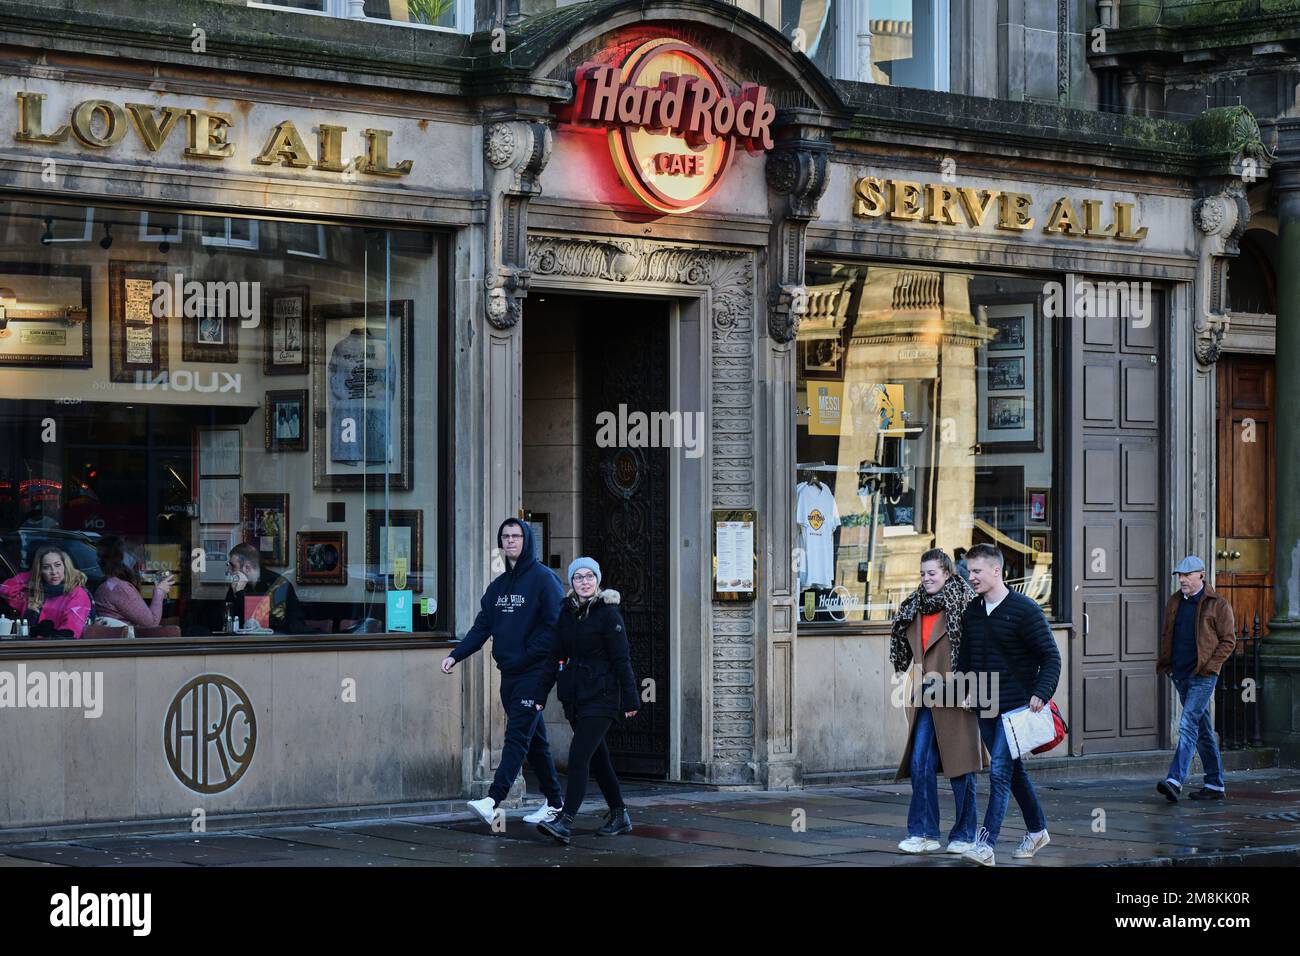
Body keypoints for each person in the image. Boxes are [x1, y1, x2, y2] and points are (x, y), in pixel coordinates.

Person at [441, 518, 566, 828]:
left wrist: (528, 655)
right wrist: (457, 655)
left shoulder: (544, 580)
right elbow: (483, 626)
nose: (510, 541)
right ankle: (554, 803)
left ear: (527, 540)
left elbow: (555, 627)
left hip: (534, 674)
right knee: (535, 741)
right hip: (509, 674)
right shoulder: (498, 586)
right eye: (505, 536)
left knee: (516, 737)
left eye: (516, 536)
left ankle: (492, 799)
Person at [957, 543, 1061, 866]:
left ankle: (985, 845)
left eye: (976, 571)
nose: (970, 576)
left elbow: (1051, 657)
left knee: (1000, 771)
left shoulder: (1025, 610)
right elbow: (966, 659)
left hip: (1018, 709)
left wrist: (1041, 693)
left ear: (996, 571)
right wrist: (965, 687)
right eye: (969, 570)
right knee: (1014, 773)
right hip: (986, 706)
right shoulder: (971, 612)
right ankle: (1037, 830)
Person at [533, 557, 639, 844]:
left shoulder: (608, 614)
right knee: (599, 759)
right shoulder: (566, 613)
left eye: (589, 576)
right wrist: (540, 695)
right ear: (571, 582)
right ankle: (619, 814)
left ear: (597, 580)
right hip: (575, 697)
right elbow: (553, 656)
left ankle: (565, 821)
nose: (584, 582)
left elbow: (621, 659)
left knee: (579, 757)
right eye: (578, 577)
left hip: (602, 696)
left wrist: (631, 700)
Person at [889, 548, 985, 855]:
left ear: (946, 573)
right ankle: (924, 832)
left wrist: (976, 688)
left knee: (961, 766)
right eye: (922, 573)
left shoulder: (966, 605)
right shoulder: (913, 607)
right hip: (925, 697)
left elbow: (982, 648)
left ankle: (965, 834)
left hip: (959, 695)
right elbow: (905, 652)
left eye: (932, 573)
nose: (926, 579)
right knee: (920, 762)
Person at [1155, 555, 1237, 802]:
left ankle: (1175, 780)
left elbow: (1229, 641)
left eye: (1186, 575)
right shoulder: (1175, 602)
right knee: (1203, 731)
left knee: (1188, 724)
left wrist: (1210, 667)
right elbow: (1169, 635)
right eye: (1179, 575)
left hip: (1202, 676)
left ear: (1201, 574)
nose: (1182, 579)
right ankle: (1215, 784)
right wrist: (1169, 666)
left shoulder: (1218, 605)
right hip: (1180, 675)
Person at [0, 545, 93, 639]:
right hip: (29, 646)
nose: (53, 572)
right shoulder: (34, 592)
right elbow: (6, 590)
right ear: (40, 570)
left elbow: (71, 631)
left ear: (65, 566)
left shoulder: (77, 593)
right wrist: (33, 576)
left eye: (58, 565)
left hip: (55, 648)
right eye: (46, 567)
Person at [225, 542, 306, 634]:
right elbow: (226, 620)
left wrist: (240, 593)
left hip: (274, 642)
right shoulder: (237, 585)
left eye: (233, 566)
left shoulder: (278, 584)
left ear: (247, 568)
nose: (229, 571)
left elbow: (257, 622)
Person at [94, 537, 174, 629]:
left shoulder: (107, 585)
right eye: (134, 554)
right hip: (123, 641)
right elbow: (151, 623)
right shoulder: (120, 588)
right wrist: (159, 592)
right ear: (123, 559)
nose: (140, 561)